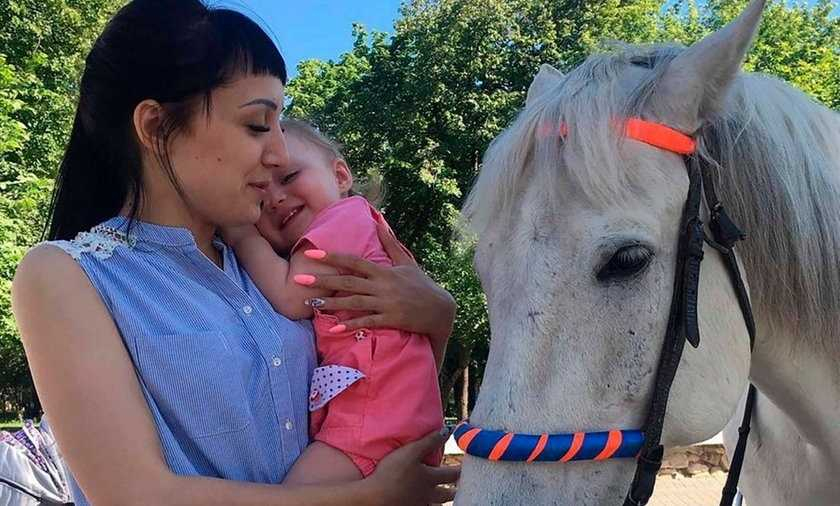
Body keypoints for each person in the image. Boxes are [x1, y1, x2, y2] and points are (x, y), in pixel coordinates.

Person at [10, 1, 458, 504]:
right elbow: (135, 493)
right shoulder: (68, 275)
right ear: (155, 127)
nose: (279, 153)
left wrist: (436, 320)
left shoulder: (278, 260)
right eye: (257, 125)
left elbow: (378, 387)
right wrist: (368, 498)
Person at [222, 119, 444, 485]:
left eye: (289, 177)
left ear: (340, 176)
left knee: (295, 498)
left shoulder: (343, 219)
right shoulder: (363, 227)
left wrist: (242, 233)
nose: (275, 199)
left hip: (373, 416)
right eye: (259, 198)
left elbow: (292, 297)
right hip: (393, 412)